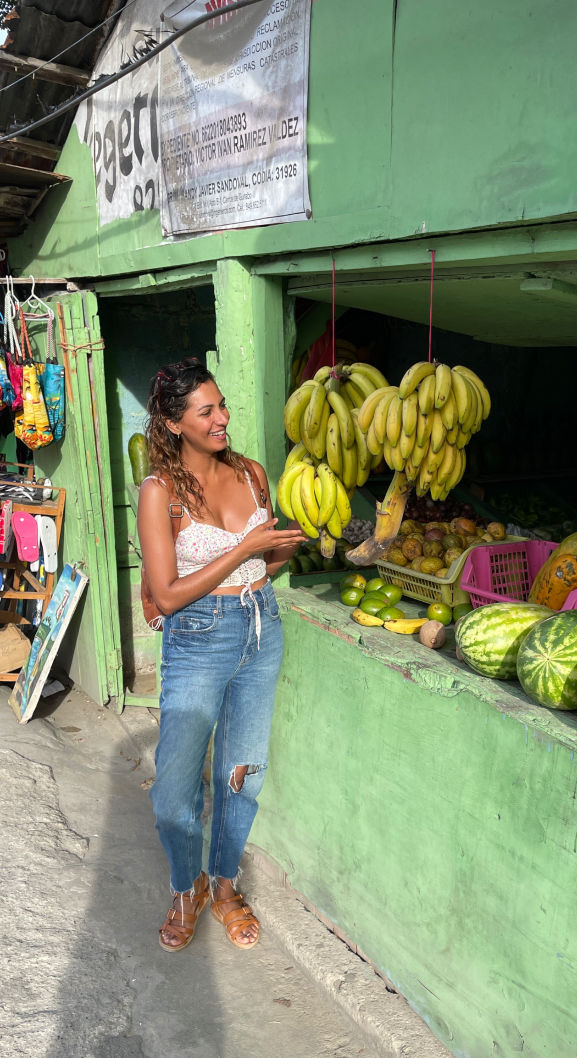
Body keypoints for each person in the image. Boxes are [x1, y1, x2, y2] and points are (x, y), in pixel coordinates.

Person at [137, 357, 306, 952]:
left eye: (222, 405)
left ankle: (226, 885)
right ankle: (188, 886)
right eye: (206, 411)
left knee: (243, 774)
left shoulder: (254, 475)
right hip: (199, 637)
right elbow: (167, 593)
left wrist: (284, 547)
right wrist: (248, 546)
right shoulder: (159, 493)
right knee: (175, 786)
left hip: (263, 627)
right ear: (174, 422)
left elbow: (268, 564)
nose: (222, 418)